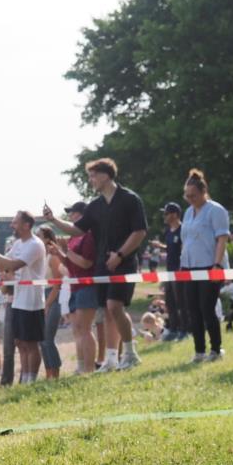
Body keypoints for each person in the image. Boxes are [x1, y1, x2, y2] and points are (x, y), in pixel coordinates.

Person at [43, 158, 148, 371]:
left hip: (124, 264)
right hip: (102, 266)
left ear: (106, 175)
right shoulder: (95, 206)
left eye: (93, 176)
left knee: (115, 306)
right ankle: (111, 359)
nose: (90, 180)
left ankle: (130, 353)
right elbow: (77, 229)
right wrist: (54, 220)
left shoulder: (130, 199)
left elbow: (139, 232)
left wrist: (120, 255)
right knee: (108, 311)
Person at [0, 211, 47, 383]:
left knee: (30, 343)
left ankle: (31, 380)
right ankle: (25, 379)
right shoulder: (18, 244)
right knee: (20, 343)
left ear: (27, 225)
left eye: (15, 222)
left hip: (32, 301)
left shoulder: (35, 244)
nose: (11, 225)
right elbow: (1, 267)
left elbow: (13, 265)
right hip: (17, 299)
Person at [180, 169, 230, 362]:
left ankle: (216, 349)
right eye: (187, 196)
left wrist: (217, 265)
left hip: (210, 265)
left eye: (193, 195)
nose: (190, 199)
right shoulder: (187, 212)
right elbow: (186, 240)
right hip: (189, 266)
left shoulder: (216, 210)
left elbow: (222, 238)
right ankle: (199, 351)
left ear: (203, 192)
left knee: (207, 308)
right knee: (193, 310)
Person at [47, 201, 98, 374]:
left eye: (73, 212)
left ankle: (89, 369)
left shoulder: (88, 235)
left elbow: (86, 263)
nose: (70, 216)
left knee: (85, 328)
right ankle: (81, 366)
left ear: (82, 214)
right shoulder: (74, 237)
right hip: (75, 286)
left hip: (86, 286)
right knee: (77, 329)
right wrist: (59, 253)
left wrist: (65, 251)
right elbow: (70, 264)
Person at [151, 203, 188, 341]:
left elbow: (185, 249)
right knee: (170, 302)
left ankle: (184, 330)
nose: (164, 216)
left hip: (180, 271)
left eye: (166, 213)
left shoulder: (183, 230)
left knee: (181, 302)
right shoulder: (168, 231)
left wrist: (182, 269)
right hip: (169, 271)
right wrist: (161, 246)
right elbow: (171, 247)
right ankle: (173, 329)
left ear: (174, 215)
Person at [37, 227, 64, 379]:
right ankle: (49, 374)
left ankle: (55, 373)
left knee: (47, 338)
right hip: (44, 295)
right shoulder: (42, 257)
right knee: (42, 340)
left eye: (39, 236)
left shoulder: (53, 257)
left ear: (47, 239)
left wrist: (47, 304)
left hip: (54, 297)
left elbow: (57, 284)